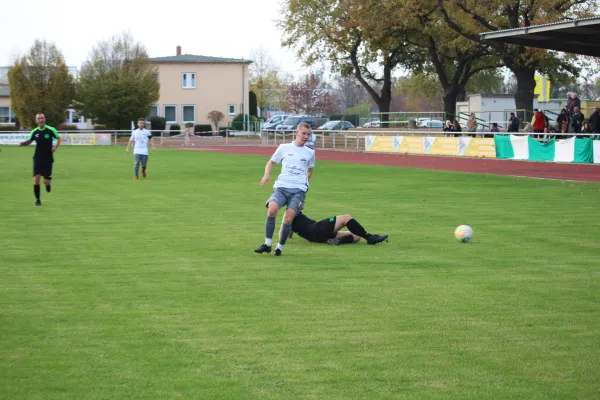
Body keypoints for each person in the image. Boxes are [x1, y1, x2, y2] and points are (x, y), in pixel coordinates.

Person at [255, 122, 315, 256]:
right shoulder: (284, 147)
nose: (306, 136)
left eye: (308, 134)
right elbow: (271, 163)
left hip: (298, 191)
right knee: (272, 210)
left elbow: (309, 171)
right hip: (281, 187)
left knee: (288, 219)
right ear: (297, 133)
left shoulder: (310, 153)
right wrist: (266, 175)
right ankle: (267, 244)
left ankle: (279, 248)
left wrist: (304, 190)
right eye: (304, 133)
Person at [18, 113, 62, 206]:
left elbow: (59, 138)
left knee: (45, 181)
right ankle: (38, 201)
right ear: (36, 120)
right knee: (36, 179)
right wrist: (23, 143)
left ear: (44, 119)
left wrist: (55, 147)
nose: (41, 120)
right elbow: (29, 141)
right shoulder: (34, 131)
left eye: (42, 118)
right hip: (37, 158)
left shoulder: (50, 130)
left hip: (48, 158)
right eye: (39, 118)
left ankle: (48, 184)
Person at [282, 210, 388, 246]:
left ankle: (333, 240)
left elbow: (289, 232)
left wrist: (290, 233)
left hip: (316, 236)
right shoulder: (289, 215)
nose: (302, 204)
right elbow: (283, 232)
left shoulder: (292, 218)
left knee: (356, 237)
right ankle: (370, 238)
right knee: (346, 217)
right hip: (317, 228)